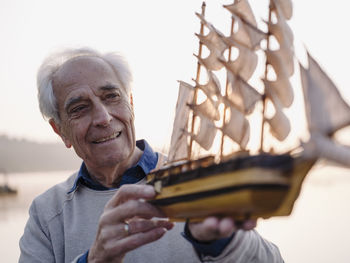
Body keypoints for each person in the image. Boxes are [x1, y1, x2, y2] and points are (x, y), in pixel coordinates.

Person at [19, 47, 284, 262]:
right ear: (60, 130)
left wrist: (224, 243)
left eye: (111, 96)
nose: (102, 117)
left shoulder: (197, 179)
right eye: (79, 108)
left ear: (131, 104)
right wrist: (94, 260)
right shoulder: (47, 213)